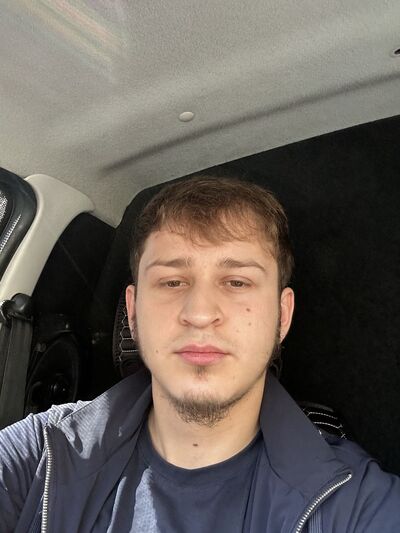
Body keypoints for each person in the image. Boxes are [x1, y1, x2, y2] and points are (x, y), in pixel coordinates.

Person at [0, 176, 399, 532]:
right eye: (172, 282)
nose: (200, 313)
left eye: (237, 282)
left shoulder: (353, 503)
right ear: (134, 313)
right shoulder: (41, 456)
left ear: (282, 315)